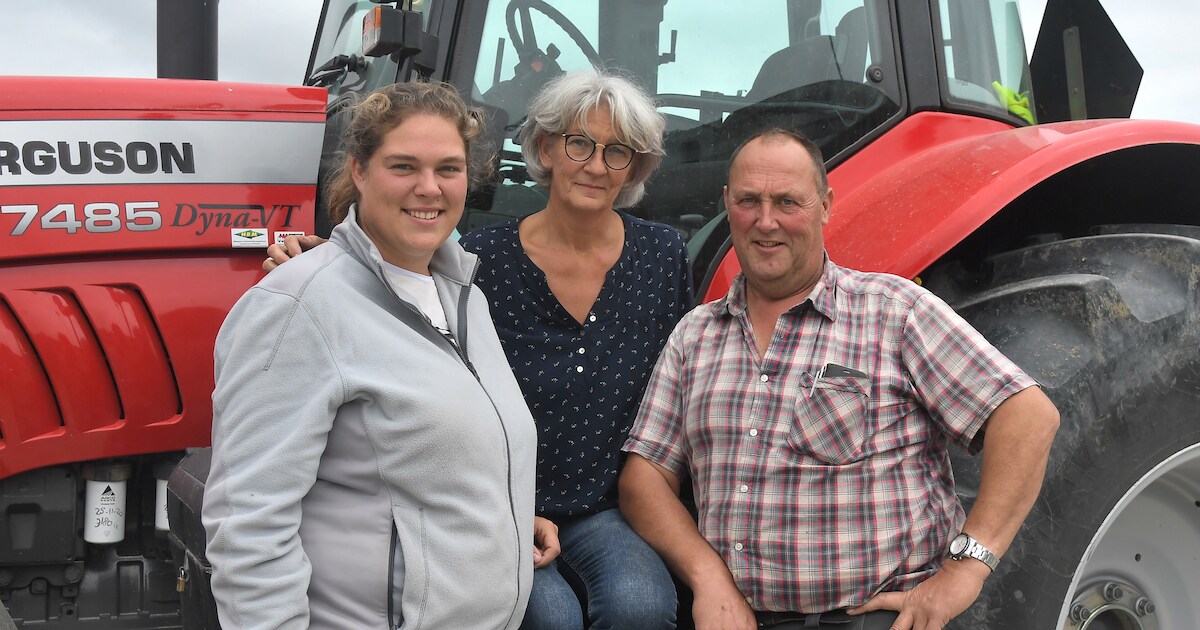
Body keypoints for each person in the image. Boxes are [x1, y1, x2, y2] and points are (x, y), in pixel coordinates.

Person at [265, 70, 688, 629]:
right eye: (579, 142)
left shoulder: (662, 256)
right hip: (497, 505)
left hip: (606, 504)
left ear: (634, 168)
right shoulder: (477, 262)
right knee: (549, 619)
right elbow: (393, 284)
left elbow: (685, 375)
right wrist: (321, 262)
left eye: (617, 152)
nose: (594, 164)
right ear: (544, 147)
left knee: (645, 607)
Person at [618, 128, 1061, 630]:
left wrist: (966, 567)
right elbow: (644, 477)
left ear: (826, 205)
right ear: (727, 204)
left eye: (788, 202)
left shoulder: (893, 312)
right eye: (748, 201)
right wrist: (708, 577)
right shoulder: (694, 335)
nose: (766, 221)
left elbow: (1027, 416)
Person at [203, 81, 545, 629]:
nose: (429, 188)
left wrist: (506, 515)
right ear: (359, 170)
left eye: (449, 169)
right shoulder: (298, 305)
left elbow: (432, 460)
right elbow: (247, 524)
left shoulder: (465, 295)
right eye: (404, 166)